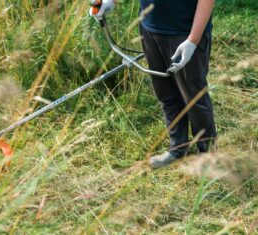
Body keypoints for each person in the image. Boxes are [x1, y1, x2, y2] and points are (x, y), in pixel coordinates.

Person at [90, 0, 217, 168]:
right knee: (166, 94)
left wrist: (193, 40)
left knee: (194, 97)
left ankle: (207, 154)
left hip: (184, 31)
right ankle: (177, 148)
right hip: (150, 28)